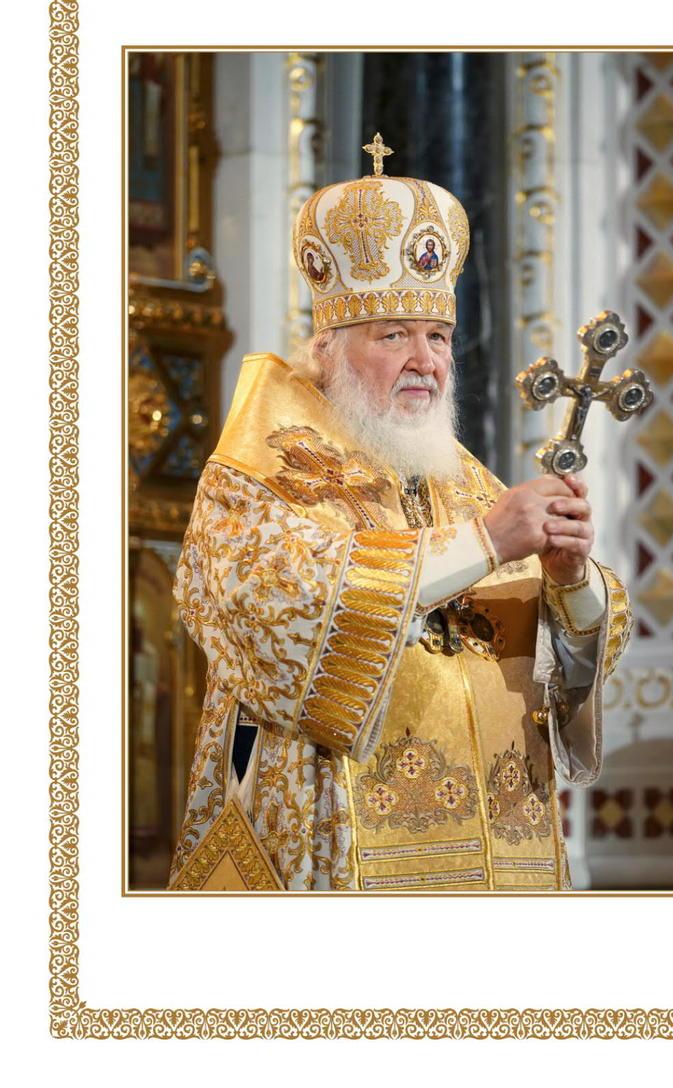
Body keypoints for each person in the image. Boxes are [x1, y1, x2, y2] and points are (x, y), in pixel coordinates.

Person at [168, 157, 632, 893]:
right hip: (339, 839)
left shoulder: (466, 482)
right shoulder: (259, 475)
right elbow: (284, 605)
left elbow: (570, 663)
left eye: (438, 337)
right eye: (393, 336)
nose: (425, 362)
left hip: (499, 850)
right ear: (328, 349)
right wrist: (486, 543)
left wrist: (570, 583)